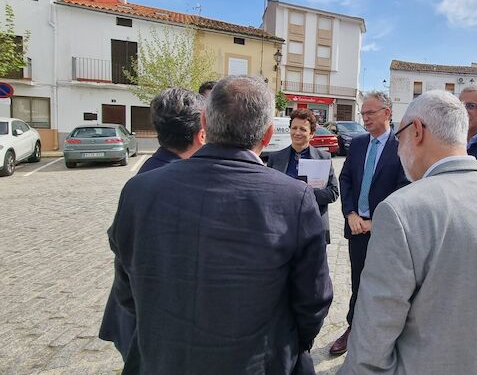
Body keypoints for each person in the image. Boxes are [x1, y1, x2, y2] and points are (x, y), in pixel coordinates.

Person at [105, 76, 333, 374]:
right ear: (267, 135)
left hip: (162, 359)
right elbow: (313, 300)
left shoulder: (138, 190)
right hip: (257, 363)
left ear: (204, 122)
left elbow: (127, 290)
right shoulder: (294, 199)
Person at [340, 91, 477, 374]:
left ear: (417, 131)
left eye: (400, 138)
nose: (398, 149)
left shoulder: (399, 210)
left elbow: (374, 332)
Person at [99, 87, 206, 359]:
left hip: (135, 313)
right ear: (201, 133)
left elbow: (118, 243)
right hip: (152, 323)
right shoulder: (179, 181)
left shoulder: (143, 178)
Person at [330, 91, 408, 356]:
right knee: (358, 281)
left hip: (386, 231)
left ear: (387, 113)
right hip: (357, 228)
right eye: (363, 113)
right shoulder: (359, 143)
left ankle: (381, 337)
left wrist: (378, 222)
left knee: (387, 286)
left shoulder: (402, 146)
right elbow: (346, 179)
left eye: (370, 113)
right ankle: (353, 328)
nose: (365, 118)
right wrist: (350, 213)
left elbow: (404, 188)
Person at [267, 109, 339, 244]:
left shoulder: (323, 158)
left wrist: (306, 193)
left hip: (314, 227)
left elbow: (333, 193)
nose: (297, 133)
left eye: (303, 129)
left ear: (312, 134)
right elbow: (268, 192)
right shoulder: (275, 158)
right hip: (283, 226)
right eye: (294, 128)